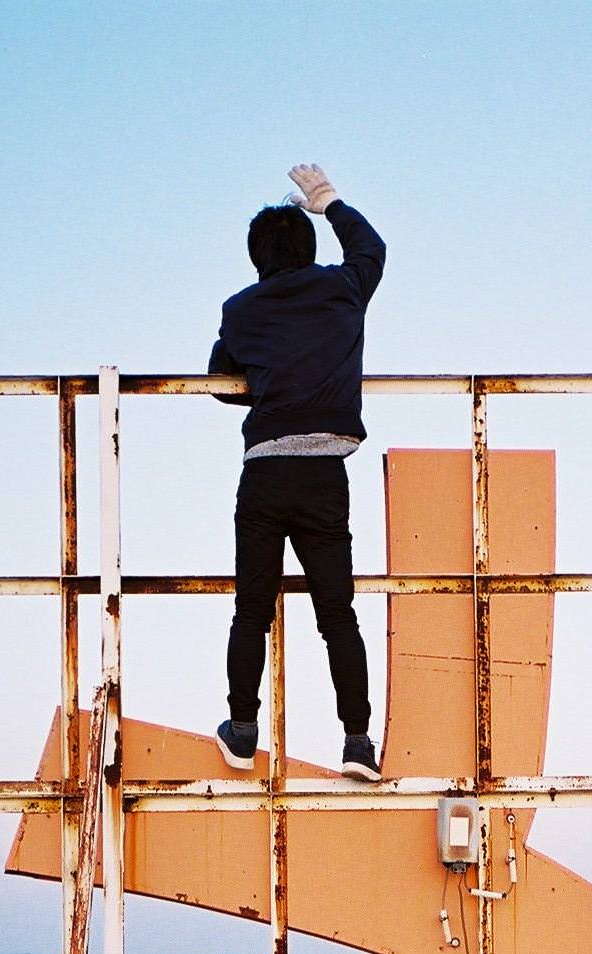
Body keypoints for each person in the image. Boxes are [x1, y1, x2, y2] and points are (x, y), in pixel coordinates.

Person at [209, 163, 386, 781]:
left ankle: (242, 730)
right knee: (337, 615)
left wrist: (268, 379)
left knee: (251, 610)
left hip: (264, 472)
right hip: (324, 476)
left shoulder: (240, 309)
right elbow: (371, 249)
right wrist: (328, 200)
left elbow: (221, 382)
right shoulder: (342, 290)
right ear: (309, 246)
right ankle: (358, 744)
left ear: (256, 257)